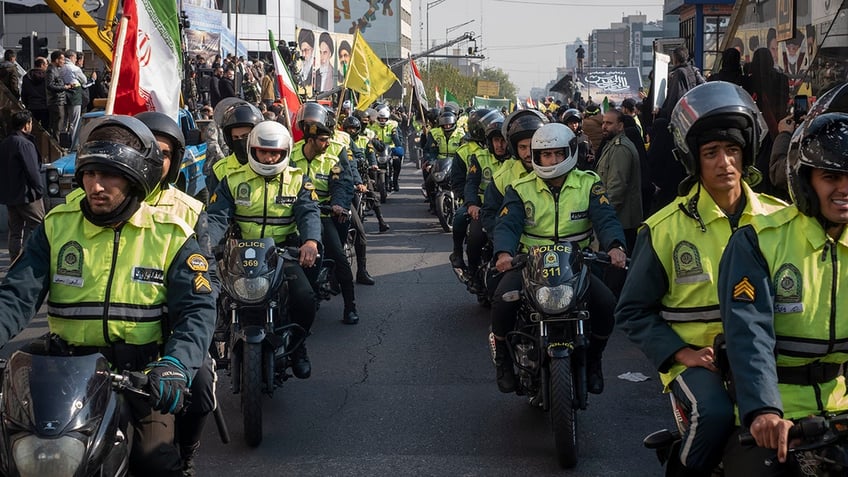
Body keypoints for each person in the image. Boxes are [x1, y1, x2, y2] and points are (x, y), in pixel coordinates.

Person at [0, 115, 215, 476]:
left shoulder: (171, 233)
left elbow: (197, 308)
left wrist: (175, 365)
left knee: (155, 463)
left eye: (109, 175)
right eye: (89, 174)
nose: (95, 186)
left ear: (135, 180)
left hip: (142, 376)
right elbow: (16, 296)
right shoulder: (57, 225)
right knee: (16, 454)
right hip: (65, 374)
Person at [616, 81, 788, 476]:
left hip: (767, 356)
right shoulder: (663, 229)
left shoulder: (782, 220)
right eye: (711, 153)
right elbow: (632, 311)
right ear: (694, 160)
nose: (724, 162)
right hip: (699, 362)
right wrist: (683, 354)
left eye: (732, 150)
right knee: (713, 415)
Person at [718, 111, 848, 475]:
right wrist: (764, 412)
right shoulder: (758, 241)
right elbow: (749, 333)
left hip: (839, 408)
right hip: (776, 412)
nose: (844, 189)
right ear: (805, 181)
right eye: (831, 177)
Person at [489, 122, 627, 394]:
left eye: (558, 154)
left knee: (606, 303)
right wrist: (504, 252)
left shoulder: (589, 183)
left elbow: (606, 218)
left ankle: (595, 360)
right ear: (537, 157)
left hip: (578, 263)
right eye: (546, 155)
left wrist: (615, 246)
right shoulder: (520, 187)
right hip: (530, 262)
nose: (552, 160)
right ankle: (503, 360)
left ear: (570, 153)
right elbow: (507, 224)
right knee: (502, 300)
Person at [207, 120, 321, 379]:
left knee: (305, 299)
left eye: (275, 153)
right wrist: (206, 247)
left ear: (285, 153)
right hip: (240, 251)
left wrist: (310, 242)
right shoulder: (233, 180)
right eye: (263, 152)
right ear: (252, 150)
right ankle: (213, 347)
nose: (269, 158)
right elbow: (216, 217)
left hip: (282, 253)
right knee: (214, 297)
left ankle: (297, 347)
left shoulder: (297, 180)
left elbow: (309, 213)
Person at [290, 103, 358, 324]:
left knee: (339, 257)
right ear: (309, 139)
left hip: (324, 214)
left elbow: (343, 183)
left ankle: (350, 307)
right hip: (296, 215)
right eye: (322, 140)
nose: (327, 143)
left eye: (328, 139)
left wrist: (338, 204)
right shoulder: (290, 155)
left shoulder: (334, 154)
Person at [458, 109, 509, 290]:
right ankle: (472, 274)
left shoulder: (516, 161)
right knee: (475, 237)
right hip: (484, 209)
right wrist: (472, 204)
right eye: (496, 140)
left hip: (510, 210)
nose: (500, 145)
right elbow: (471, 184)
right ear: (490, 141)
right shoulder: (479, 157)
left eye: (503, 140)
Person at [480, 109, 548, 235]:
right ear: (514, 148)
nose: (528, 154)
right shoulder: (502, 177)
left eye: (533, 146)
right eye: (522, 147)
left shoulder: (557, 172)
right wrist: (504, 242)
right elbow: (489, 214)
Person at [450, 108, 498, 270]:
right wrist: (470, 202)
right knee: (459, 218)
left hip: (503, 203)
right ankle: (458, 253)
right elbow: (460, 182)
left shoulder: (508, 152)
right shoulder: (466, 153)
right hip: (477, 203)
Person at [0, 110, 44, 261]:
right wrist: (39, 190)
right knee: (40, 227)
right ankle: (33, 260)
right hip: (27, 195)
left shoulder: (5, 143)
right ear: (26, 125)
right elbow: (32, 170)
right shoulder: (25, 144)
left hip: (11, 196)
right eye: (30, 123)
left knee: (15, 232)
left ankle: (15, 262)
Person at [206, 101, 264, 195]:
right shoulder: (219, 169)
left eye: (245, 136)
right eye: (236, 137)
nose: (240, 141)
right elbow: (216, 206)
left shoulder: (268, 161)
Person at [658, 46, 705, 120]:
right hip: (696, 113)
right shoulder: (694, 70)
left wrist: (662, 112)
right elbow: (704, 86)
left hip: (681, 117)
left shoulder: (678, 74)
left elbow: (673, 99)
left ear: (675, 59)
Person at [369, 104, 404, 192]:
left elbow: (399, 139)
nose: (382, 120)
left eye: (384, 119)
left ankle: (395, 180)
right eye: (380, 119)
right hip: (377, 149)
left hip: (390, 149)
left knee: (397, 161)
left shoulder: (393, 125)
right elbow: (369, 137)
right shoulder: (373, 126)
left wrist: (395, 138)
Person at [46, 51, 70, 139]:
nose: (63, 62)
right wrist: (64, 87)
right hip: (55, 101)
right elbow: (50, 85)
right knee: (57, 125)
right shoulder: (51, 70)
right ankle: (56, 144)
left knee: (59, 123)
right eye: (62, 59)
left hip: (58, 101)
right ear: (57, 60)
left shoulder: (55, 69)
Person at [20, 56, 49, 129]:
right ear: (42, 65)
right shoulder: (47, 76)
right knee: (45, 128)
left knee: (32, 128)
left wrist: (26, 104)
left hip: (32, 105)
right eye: (46, 64)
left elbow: (24, 92)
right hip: (45, 106)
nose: (47, 66)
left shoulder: (26, 77)